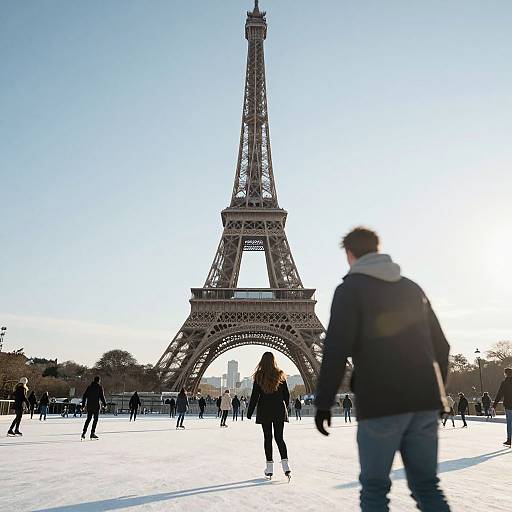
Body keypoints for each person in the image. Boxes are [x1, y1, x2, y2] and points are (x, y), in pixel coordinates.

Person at [314, 227, 451, 511]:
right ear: (378, 249)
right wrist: (437, 393)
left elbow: (336, 350)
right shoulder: (412, 288)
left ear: (350, 255)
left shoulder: (349, 289)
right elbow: (442, 346)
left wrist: (324, 403)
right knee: (428, 486)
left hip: (380, 402)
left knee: (375, 489)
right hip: (424, 401)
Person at [247, 352, 291, 481]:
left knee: (267, 438)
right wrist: (284, 407)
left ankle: (269, 468)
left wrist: (249, 412)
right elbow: (286, 395)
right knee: (279, 438)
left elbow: (255, 396)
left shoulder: (259, 376)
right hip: (278, 410)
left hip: (265, 410)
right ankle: (286, 466)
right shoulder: (280, 374)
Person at [81, 376, 107, 440]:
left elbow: (84, 396)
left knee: (88, 419)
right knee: (95, 420)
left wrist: (83, 405)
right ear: (99, 381)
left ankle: (84, 433)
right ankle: (92, 433)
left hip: (89, 406)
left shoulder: (89, 387)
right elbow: (102, 397)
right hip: (96, 406)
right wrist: (105, 404)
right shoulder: (99, 387)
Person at [492, 367, 512, 447]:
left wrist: (494, 405)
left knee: (509, 423)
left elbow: (499, 394)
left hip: (508, 406)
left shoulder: (504, 383)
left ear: (506, 374)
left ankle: (509, 440)